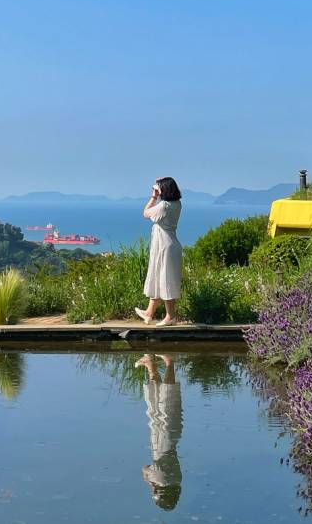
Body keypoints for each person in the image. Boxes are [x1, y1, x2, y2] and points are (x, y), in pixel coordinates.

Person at [134, 353, 182, 511]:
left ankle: (151, 365)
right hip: (163, 442)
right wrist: (149, 481)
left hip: (168, 442)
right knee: (164, 403)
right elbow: (145, 468)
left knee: (159, 405)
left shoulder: (177, 480)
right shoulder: (162, 481)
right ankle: (167, 363)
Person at [134, 176, 182, 327]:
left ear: (163, 190)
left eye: (159, 187)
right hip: (167, 245)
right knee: (158, 276)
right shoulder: (177, 204)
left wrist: (153, 196)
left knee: (165, 279)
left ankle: (170, 317)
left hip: (164, 247)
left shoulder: (164, 206)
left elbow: (145, 213)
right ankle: (149, 312)